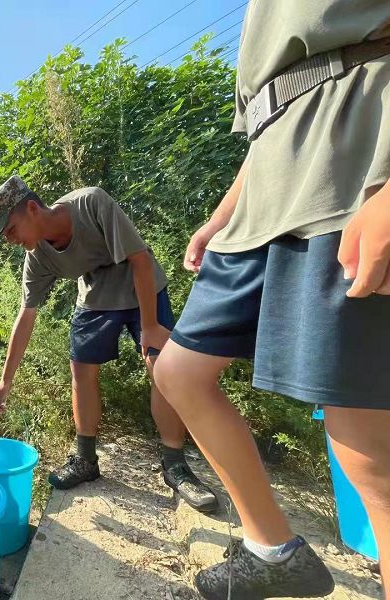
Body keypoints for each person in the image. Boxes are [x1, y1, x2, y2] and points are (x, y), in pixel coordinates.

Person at [153, 2, 390, 598]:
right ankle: (274, 552)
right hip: (262, 206)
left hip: (352, 170)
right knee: (180, 372)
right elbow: (271, 117)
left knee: (366, 449)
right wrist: (217, 219)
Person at [0, 175, 218, 513]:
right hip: (95, 296)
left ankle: (174, 464)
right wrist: (5, 381)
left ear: (32, 209)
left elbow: (138, 259)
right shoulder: (38, 257)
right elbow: (26, 315)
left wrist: (150, 326)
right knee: (81, 369)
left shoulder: (91, 203)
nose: (9, 240)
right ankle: (85, 459)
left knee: (162, 368)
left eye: (10, 229)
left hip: (143, 287)